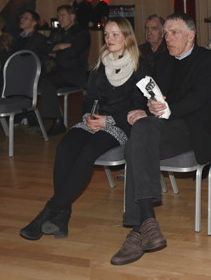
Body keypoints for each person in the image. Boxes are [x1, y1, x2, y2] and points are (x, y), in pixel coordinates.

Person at [110, 12, 211, 266]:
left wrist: (165, 109)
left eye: (174, 33)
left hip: (197, 130)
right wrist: (147, 108)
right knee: (139, 136)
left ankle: (138, 229)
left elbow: (199, 98)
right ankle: (147, 222)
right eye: (166, 33)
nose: (167, 38)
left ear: (191, 35)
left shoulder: (208, 59)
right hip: (166, 127)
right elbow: (152, 94)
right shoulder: (162, 61)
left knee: (136, 145)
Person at [20, 17, 149, 241]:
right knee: (64, 148)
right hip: (95, 120)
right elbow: (89, 98)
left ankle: (50, 211)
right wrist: (89, 116)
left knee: (88, 151)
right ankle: (62, 216)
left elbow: (139, 107)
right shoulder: (101, 63)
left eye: (115, 34)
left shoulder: (140, 66)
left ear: (127, 37)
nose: (109, 39)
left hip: (122, 123)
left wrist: (108, 121)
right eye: (106, 34)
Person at [37, 5, 91, 135]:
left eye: (62, 16)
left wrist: (54, 51)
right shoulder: (57, 32)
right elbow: (42, 48)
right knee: (34, 78)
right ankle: (32, 115)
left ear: (72, 17)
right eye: (58, 16)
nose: (59, 19)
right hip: (57, 71)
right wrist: (59, 46)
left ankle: (57, 121)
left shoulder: (82, 33)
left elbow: (73, 53)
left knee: (46, 82)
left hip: (74, 73)